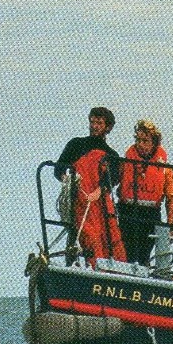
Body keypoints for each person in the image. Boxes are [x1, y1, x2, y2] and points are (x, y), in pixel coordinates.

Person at [54, 107, 127, 267]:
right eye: (92, 122)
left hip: (100, 204)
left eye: (99, 123)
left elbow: (113, 179)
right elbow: (58, 169)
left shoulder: (112, 155)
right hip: (79, 201)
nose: (94, 126)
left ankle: (107, 269)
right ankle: (73, 266)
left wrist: (98, 192)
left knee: (108, 239)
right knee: (85, 235)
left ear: (108, 127)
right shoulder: (76, 144)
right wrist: (67, 180)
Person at [117, 119, 173, 265]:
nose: (140, 144)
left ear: (154, 143)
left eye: (145, 141)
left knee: (145, 253)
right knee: (127, 253)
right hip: (127, 211)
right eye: (138, 140)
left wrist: (172, 226)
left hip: (150, 214)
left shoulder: (165, 168)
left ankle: (144, 274)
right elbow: (111, 181)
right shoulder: (125, 162)